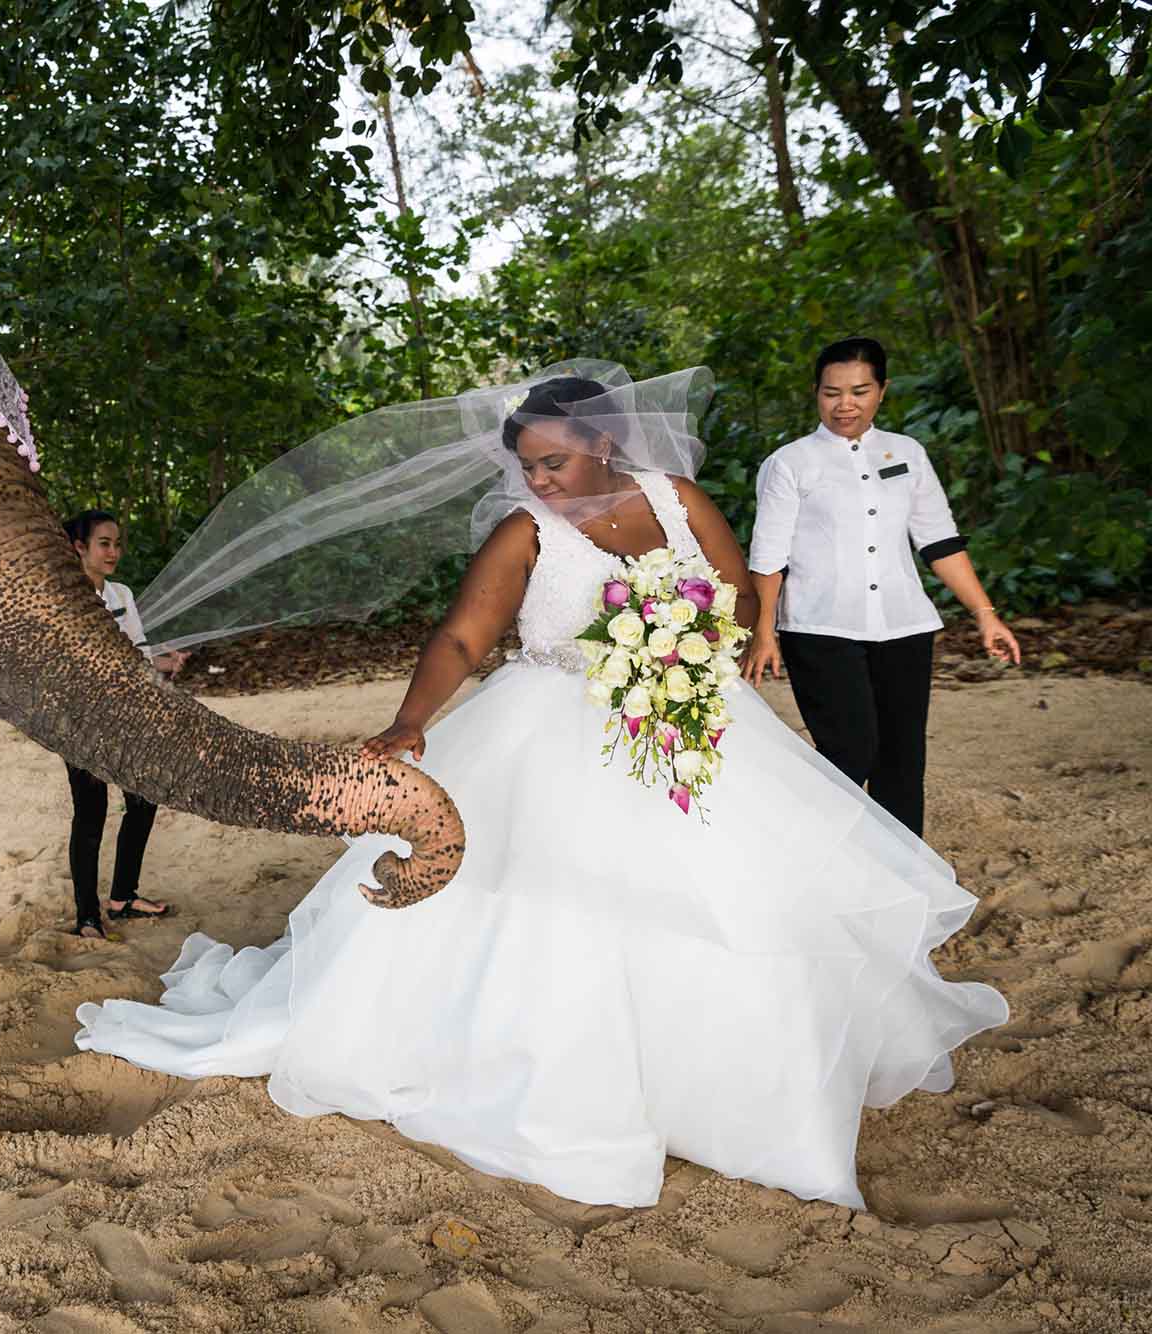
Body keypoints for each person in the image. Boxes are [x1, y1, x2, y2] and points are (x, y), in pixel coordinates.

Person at [75, 370, 1007, 1211]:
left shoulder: (678, 501)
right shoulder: (526, 533)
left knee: (738, 895)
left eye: (554, 461)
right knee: (552, 906)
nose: (541, 480)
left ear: (601, 442)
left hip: (690, 722)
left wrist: (688, 645)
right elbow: (461, 638)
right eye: (528, 465)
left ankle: (736, 1085)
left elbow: (735, 594)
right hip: (551, 727)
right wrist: (413, 722)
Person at [742, 337, 1020, 836]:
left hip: (904, 626)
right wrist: (765, 630)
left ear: (882, 391)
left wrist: (985, 614)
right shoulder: (791, 463)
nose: (845, 404)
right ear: (815, 393)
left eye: (859, 391)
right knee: (849, 752)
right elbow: (768, 556)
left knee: (902, 758)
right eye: (831, 392)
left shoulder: (907, 453)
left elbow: (939, 542)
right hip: (820, 627)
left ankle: (909, 878)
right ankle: (839, 868)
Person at [62, 510, 188, 940]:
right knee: (91, 811)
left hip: (127, 713)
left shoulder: (122, 593)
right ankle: (87, 915)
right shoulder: (65, 597)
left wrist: (163, 663)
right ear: (80, 547)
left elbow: (135, 652)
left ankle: (123, 896)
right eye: (104, 543)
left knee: (144, 800)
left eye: (117, 543)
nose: (113, 551)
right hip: (81, 718)